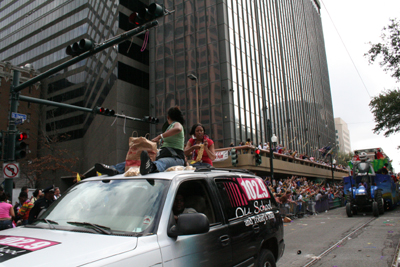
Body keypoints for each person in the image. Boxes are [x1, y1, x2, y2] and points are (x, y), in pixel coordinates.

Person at [140, 106, 186, 175]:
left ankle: (151, 167)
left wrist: (160, 136)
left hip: (176, 158)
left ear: (168, 117)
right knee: (136, 162)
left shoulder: (177, 124)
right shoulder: (169, 127)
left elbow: (178, 129)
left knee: (162, 162)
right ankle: (119, 169)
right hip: (165, 155)